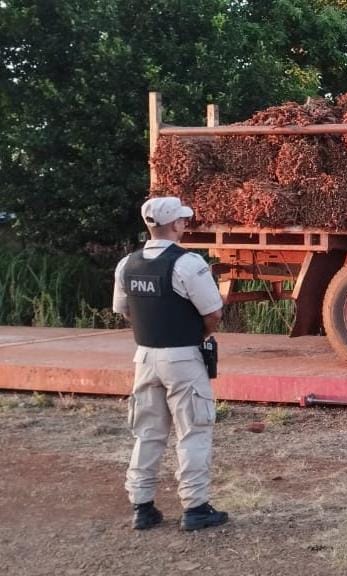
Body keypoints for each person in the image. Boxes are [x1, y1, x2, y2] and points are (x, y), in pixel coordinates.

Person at [112, 196, 228, 532]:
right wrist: (197, 335)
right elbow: (213, 314)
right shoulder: (188, 264)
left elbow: (125, 311)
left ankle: (142, 506)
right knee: (193, 430)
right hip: (182, 357)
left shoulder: (126, 264)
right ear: (175, 224)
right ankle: (195, 508)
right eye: (183, 220)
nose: (185, 224)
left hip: (144, 356)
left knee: (147, 432)